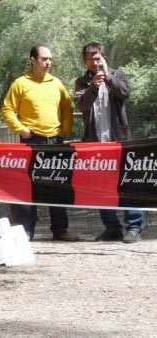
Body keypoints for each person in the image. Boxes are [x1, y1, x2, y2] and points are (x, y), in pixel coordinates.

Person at [0, 44, 79, 241]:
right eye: (44, 59)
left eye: (50, 59)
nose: (48, 62)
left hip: (55, 141)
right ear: (32, 60)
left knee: (58, 184)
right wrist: (21, 130)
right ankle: (25, 232)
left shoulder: (56, 83)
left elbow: (68, 108)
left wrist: (65, 129)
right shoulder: (20, 83)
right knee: (29, 185)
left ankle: (60, 230)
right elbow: (7, 110)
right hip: (31, 141)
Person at [74, 42, 143, 243]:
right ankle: (112, 228)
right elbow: (81, 105)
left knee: (127, 184)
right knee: (100, 187)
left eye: (98, 58)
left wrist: (108, 78)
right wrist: (93, 87)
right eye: (91, 59)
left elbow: (125, 92)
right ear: (84, 62)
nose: (95, 62)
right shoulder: (81, 82)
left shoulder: (118, 74)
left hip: (119, 142)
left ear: (104, 57)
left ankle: (135, 228)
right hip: (95, 144)